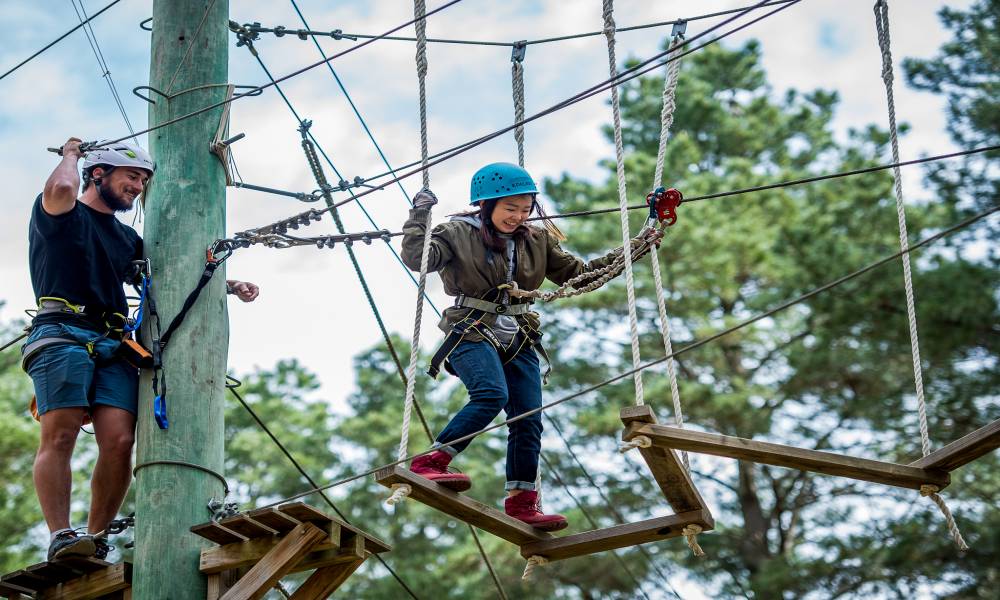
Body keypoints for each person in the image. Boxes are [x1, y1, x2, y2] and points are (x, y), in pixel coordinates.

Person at [24, 138, 259, 562]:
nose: (138, 186)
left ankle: (92, 540)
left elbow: (169, 277)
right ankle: (61, 533)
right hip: (62, 332)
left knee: (119, 439)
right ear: (98, 174)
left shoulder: (126, 238)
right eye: (130, 176)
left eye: (144, 180)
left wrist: (228, 284)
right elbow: (61, 190)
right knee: (59, 434)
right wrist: (71, 154)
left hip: (113, 343)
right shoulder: (60, 213)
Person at [400, 162, 661, 531]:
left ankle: (522, 500)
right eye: (511, 209)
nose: (518, 217)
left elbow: (580, 276)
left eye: (525, 209)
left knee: (528, 418)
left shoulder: (536, 240)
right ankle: (431, 461)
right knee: (490, 395)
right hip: (471, 330)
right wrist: (419, 216)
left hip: (520, 334)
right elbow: (418, 259)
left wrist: (634, 249)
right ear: (486, 205)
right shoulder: (456, 232)